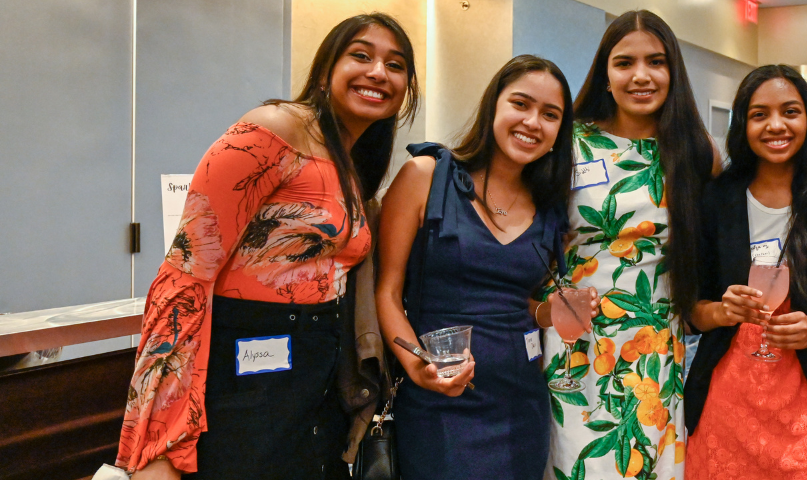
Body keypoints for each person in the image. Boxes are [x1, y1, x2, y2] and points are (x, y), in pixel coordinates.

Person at [117, 13, 420, 480]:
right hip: (244, 373)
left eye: (395, 65)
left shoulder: (352, 164)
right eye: (361, 55)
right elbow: (184, 277)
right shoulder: (273, 128)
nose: (379, 72)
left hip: (312, 380)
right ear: (324, 72)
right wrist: (161, 441)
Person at [375, 55, 591, 480]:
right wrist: (420, 365)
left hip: (521, 408)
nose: (533, 122)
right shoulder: (426, 176)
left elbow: (518, 304)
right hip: (440, 402)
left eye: (550, 115)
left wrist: (548, 312)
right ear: (494, 104)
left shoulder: (549, 207)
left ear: (559, 134)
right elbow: (386, 292)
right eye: (521, 104)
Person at [542, 10, 719, 480]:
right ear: (605, 72)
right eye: (624, 63)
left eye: (655, 62)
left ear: (672, 71)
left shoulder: (694, 151)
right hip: (576, 346)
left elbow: (716, 242)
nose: (640, 76)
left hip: (655, 347)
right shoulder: (569, 143)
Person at [684, 64, 807, 480]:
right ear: (742, 125)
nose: (775, 125)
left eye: (790, 111)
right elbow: (691, 308)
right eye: (758, 114)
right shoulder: (715, 199)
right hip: (726, 394)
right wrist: (722, 311)